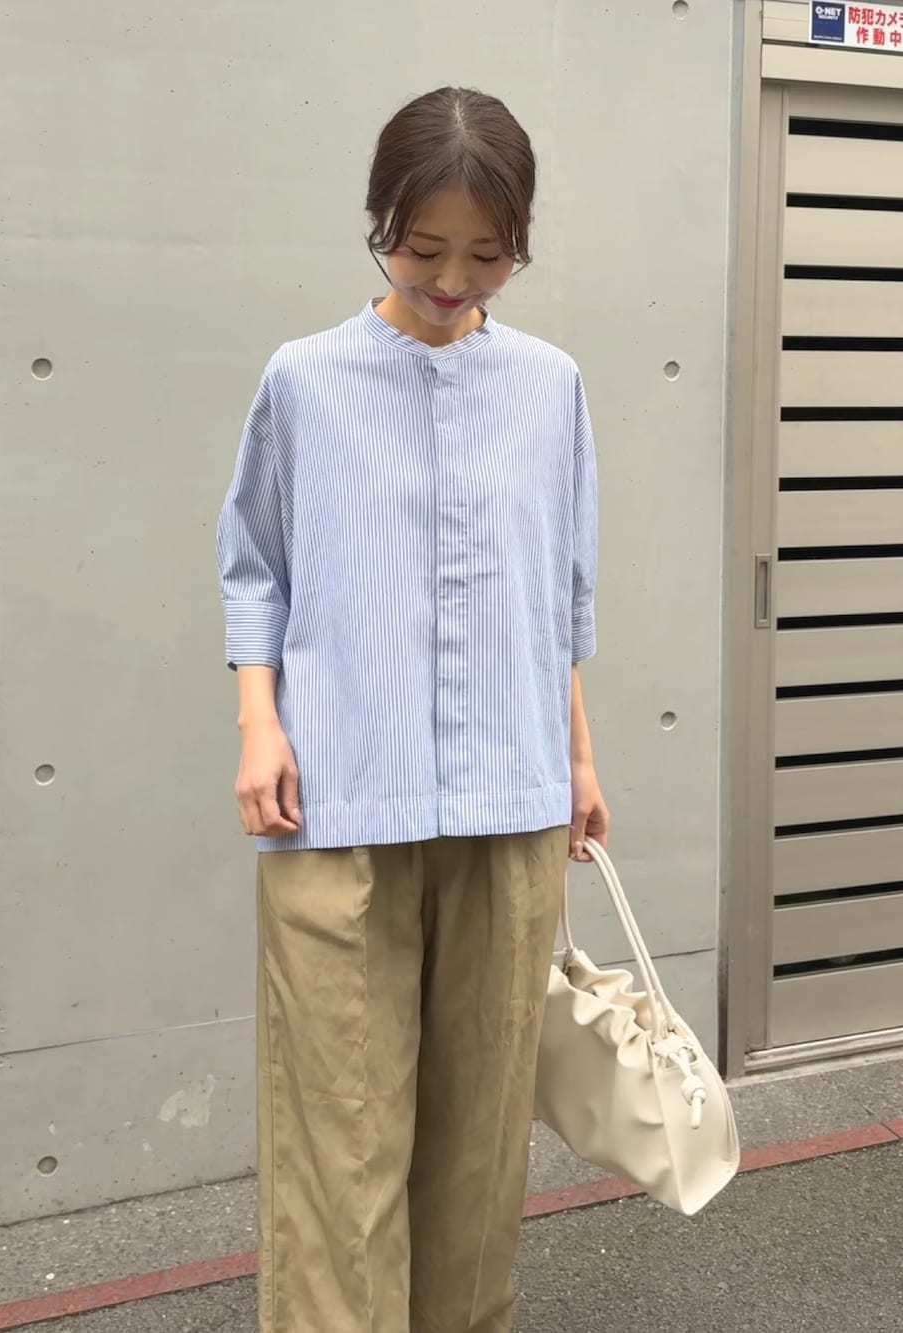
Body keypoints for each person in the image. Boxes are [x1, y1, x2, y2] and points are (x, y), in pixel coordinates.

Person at [217, 85, 609, 1333]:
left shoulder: (548, 386)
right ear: (379, 220)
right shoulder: (305, 379)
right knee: (338, 1140)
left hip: (510, 801)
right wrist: (260, 725)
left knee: (479, 1147)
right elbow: (254, 568)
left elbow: (561, 593)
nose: (449, 280)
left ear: (519, 243)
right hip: (340, 799)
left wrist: (578, 760)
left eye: (486, 255)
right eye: (421, 246)